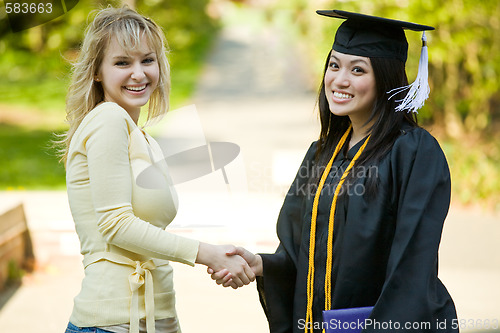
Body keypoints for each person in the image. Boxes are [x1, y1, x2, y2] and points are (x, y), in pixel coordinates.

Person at [209, 9, 458, 333]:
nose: (340, 80)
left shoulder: (413, 152)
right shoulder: (321, 153)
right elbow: (300, 254)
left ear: (385, 78)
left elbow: (412, 267)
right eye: (334, 65)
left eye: (358, 69)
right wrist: (262, 265)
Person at [59, 6, 254, 333]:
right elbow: (116, 224)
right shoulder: (107, 120)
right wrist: (208, 254)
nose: (138, 73)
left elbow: (150, 243)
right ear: (96, 71)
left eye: (147, 60)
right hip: (112, 321)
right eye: (123, 62)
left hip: (153, 318)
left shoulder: (142, 137)